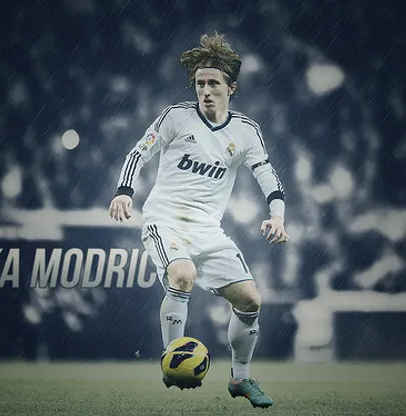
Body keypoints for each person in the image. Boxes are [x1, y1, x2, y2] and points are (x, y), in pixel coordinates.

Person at [108, 33, 287, 409]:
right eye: (200, 83)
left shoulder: (245, 132)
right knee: (182, 274)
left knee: (251, 300)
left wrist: (277, 216)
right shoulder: (176, 117)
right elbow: (139, 153)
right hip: (164, 221)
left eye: (213, 84)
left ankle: (241, 379)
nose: (205, 90)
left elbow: (267, 175)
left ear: (231, 88)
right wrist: (124, 191)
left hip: (208, 231)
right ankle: (172, 361)